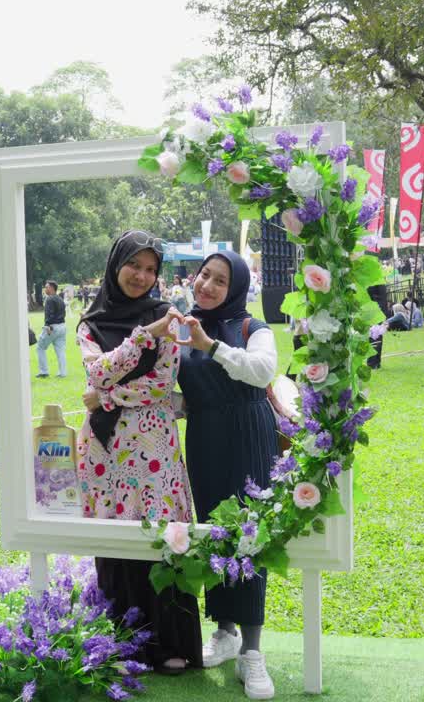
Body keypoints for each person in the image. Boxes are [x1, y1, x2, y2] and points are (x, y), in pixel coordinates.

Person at [76, 230, 200, 673]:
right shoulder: (91, 323)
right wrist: (144, 335)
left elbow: (161, 384)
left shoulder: (168, 316)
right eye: (134, 265)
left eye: (150, 269)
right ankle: (120, 641)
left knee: (161, 535)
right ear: (116, 265)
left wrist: (106, 397)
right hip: (105, 450)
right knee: (115, 537)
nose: (141, 276)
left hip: (152, 447)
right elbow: (96, 370)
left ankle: (169, 643)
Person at [177, 250, 279, 699]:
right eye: (205, 275)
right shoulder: (183, 326)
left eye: (220, 280)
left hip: (248, 433)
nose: (208, 285)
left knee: (248, 534)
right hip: (204, 437)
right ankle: (224, 631)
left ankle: (252, 650)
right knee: (213, 531)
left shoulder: (252, 327)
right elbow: (184, 392)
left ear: (236, 286)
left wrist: (211, 346)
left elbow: (261, 371)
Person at [35, 280, 68, 379]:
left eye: (46, 287)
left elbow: (50, 314)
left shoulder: (49, 299)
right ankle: (62, 373)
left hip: (52, 327)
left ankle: (44, 371)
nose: (45, 289)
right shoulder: (60, 299)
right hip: (62, 326)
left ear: (52, 288)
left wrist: (47, 326)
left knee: (40, 347)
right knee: (60, 350)